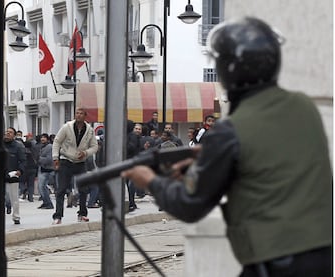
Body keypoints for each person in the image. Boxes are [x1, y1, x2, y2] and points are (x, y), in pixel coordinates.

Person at [122, 17, 332, 276]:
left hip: (273, 262)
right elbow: (268, 166)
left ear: (228, 69)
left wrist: (151, 181)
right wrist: (212, 159)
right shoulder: (304, 107)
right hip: (322, 256)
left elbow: (191, 205)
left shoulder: (230, 130)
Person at [51, 107, 98, 224]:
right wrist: (55, 157)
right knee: (61, 189)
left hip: (80, 161)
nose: (79, 115)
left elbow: (95, 147)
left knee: (83, 189)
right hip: (66, 160)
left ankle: (82, 214)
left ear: (85, 116)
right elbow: (57, 141)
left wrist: (86, 153)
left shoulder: (89, 130)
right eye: (77, 113)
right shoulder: (67, 127)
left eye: (81, 113)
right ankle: (58, 216)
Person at [3, 127, 26, 224]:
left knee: (14, 198)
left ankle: (16, 217)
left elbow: (23, 160)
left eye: (10, 132)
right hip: (1, 174)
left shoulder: (18, 146)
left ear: (14, 135)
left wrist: (19, 171)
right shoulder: (0, 145)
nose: (8, 134)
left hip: (13, 174)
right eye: (7, 132)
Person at [37, 133, 54, 209]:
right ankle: (45, 202)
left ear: (47, 139)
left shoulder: (49, 147)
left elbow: (50, 159)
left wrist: (39, 159)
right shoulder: (42, 147)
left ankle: (48, 203)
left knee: (42, 187)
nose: (42, 139)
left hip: (47, 170)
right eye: (41, 137)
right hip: (42, 169)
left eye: (44, 138)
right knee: (41, 187)